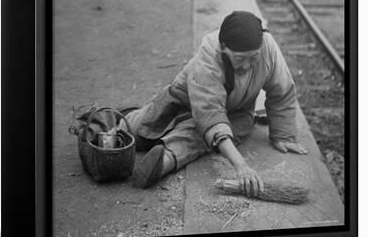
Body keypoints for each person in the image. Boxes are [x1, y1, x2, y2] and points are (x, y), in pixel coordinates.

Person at [123, 11, 307, 193]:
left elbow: (282, 90)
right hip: (181, 100)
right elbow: (209, 114)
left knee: (200, 135)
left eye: (253, 58)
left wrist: (283, 135)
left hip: (235, 112)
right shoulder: (210, 53)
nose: (246, 66)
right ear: (224, 48)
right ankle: (108, 127)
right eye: (239, 58)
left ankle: (163, 162)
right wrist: (241, 165)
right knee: (139, 130)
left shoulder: (267, 47)